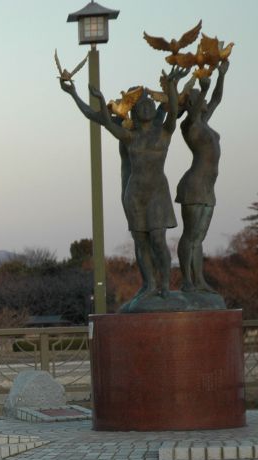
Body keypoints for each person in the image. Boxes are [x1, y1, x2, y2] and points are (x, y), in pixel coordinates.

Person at [86, 66, 188, 302]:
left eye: (149, 104)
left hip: (157, 193)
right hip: (135, 194)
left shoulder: (164, 132)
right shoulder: (129, 135)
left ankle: (164, 284)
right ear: (133, 112)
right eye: (140, 105)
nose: (146, 107)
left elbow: (173, 110)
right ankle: (150, 284)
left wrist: (172, 86)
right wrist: (96, 100)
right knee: (141, 241)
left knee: (158, 239)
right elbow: (102, 120)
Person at [176, 60, 228, 292]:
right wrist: (202, 88)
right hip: (194, 186)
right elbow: (198, 107)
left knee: (199, 238)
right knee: (190, 234)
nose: (205, 101)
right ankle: (187, 280)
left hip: (208, 188)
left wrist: (221, 75)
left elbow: (216, 100)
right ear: (190, 104)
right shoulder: (189, 125)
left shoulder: (204, 123)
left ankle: (200, 281)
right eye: (199, 98)